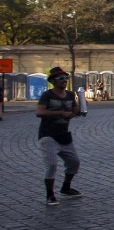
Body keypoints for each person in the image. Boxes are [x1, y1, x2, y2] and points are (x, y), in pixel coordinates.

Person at [36, 66, 83, 206]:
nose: (64, 81)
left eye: (65, 78)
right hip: (48, 135)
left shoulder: (69, 95)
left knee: (74, 162)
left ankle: (66, 187)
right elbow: (40, 112)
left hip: (64, 135)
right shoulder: (47, 95)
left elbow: (75, 109)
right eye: (60, 78)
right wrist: (60, 113)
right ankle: (50, 195)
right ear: (53, 81)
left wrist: (77, 111)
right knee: (51, 164)